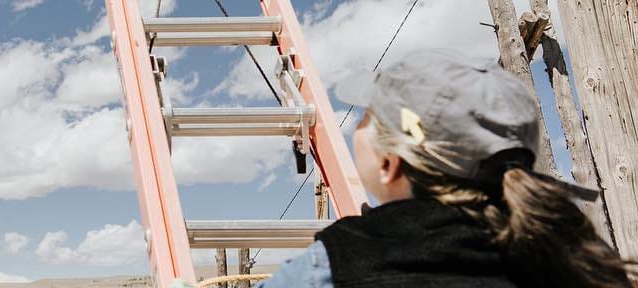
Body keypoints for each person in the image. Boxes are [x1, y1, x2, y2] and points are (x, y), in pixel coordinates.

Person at [259, 52, 633, 288]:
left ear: (390, 164)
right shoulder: (572, 258)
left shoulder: (336, 262)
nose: (356, 126)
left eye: (367, 117)